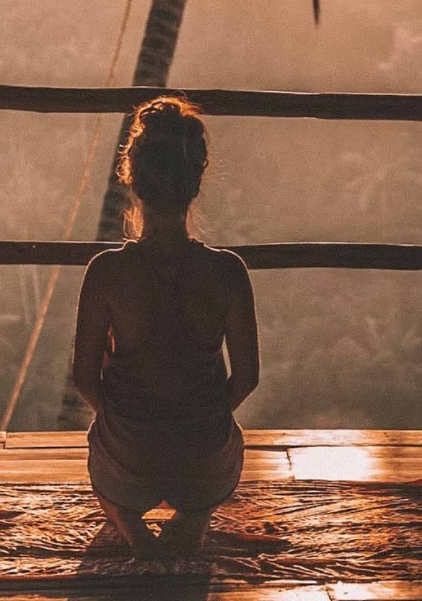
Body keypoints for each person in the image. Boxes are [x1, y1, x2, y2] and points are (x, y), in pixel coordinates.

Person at [72, 96, 259, 559]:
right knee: (221, 446)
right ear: (195, 181)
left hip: (129, 458)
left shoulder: (106, 272)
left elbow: (83, 377)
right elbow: (248, 377)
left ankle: (130, 524)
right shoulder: (228, 271)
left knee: (105, 467)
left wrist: (126, 420)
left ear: (133, 180)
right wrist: (201, 415)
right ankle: (195, 514)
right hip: (202, 459)